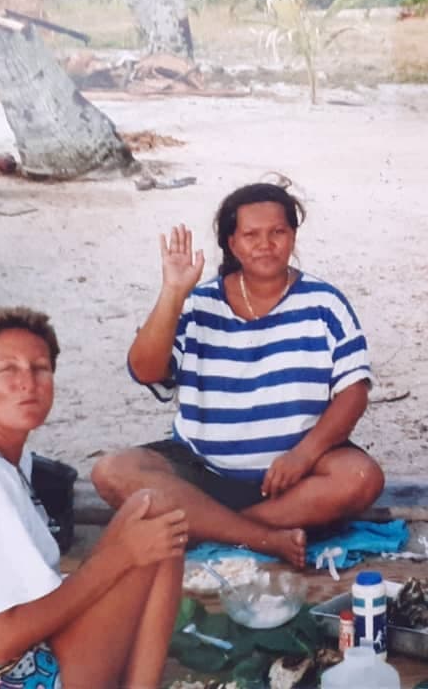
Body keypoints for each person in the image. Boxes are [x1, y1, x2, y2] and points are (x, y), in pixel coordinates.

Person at [91, 181, 385, 568]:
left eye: (278, 232)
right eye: (251, 235)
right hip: (201, 471)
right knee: (112, 471)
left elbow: (353, 393)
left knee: (362, 477)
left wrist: (303, 455)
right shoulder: (197, 304)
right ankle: (262, 538)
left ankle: (220, 530)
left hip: (294, 481)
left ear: (293, 236)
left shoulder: (324, 303)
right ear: (232, 243)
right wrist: (173, 293)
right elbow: (145, 370)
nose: (265, 244)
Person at [0, 307, 188, 689]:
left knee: (150, 510)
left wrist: (121, 557)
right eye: (8, 370)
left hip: (6, 658)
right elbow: (0, 641)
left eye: (40, 368)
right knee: (154, 526)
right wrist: (122, 557)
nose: (27, 382)